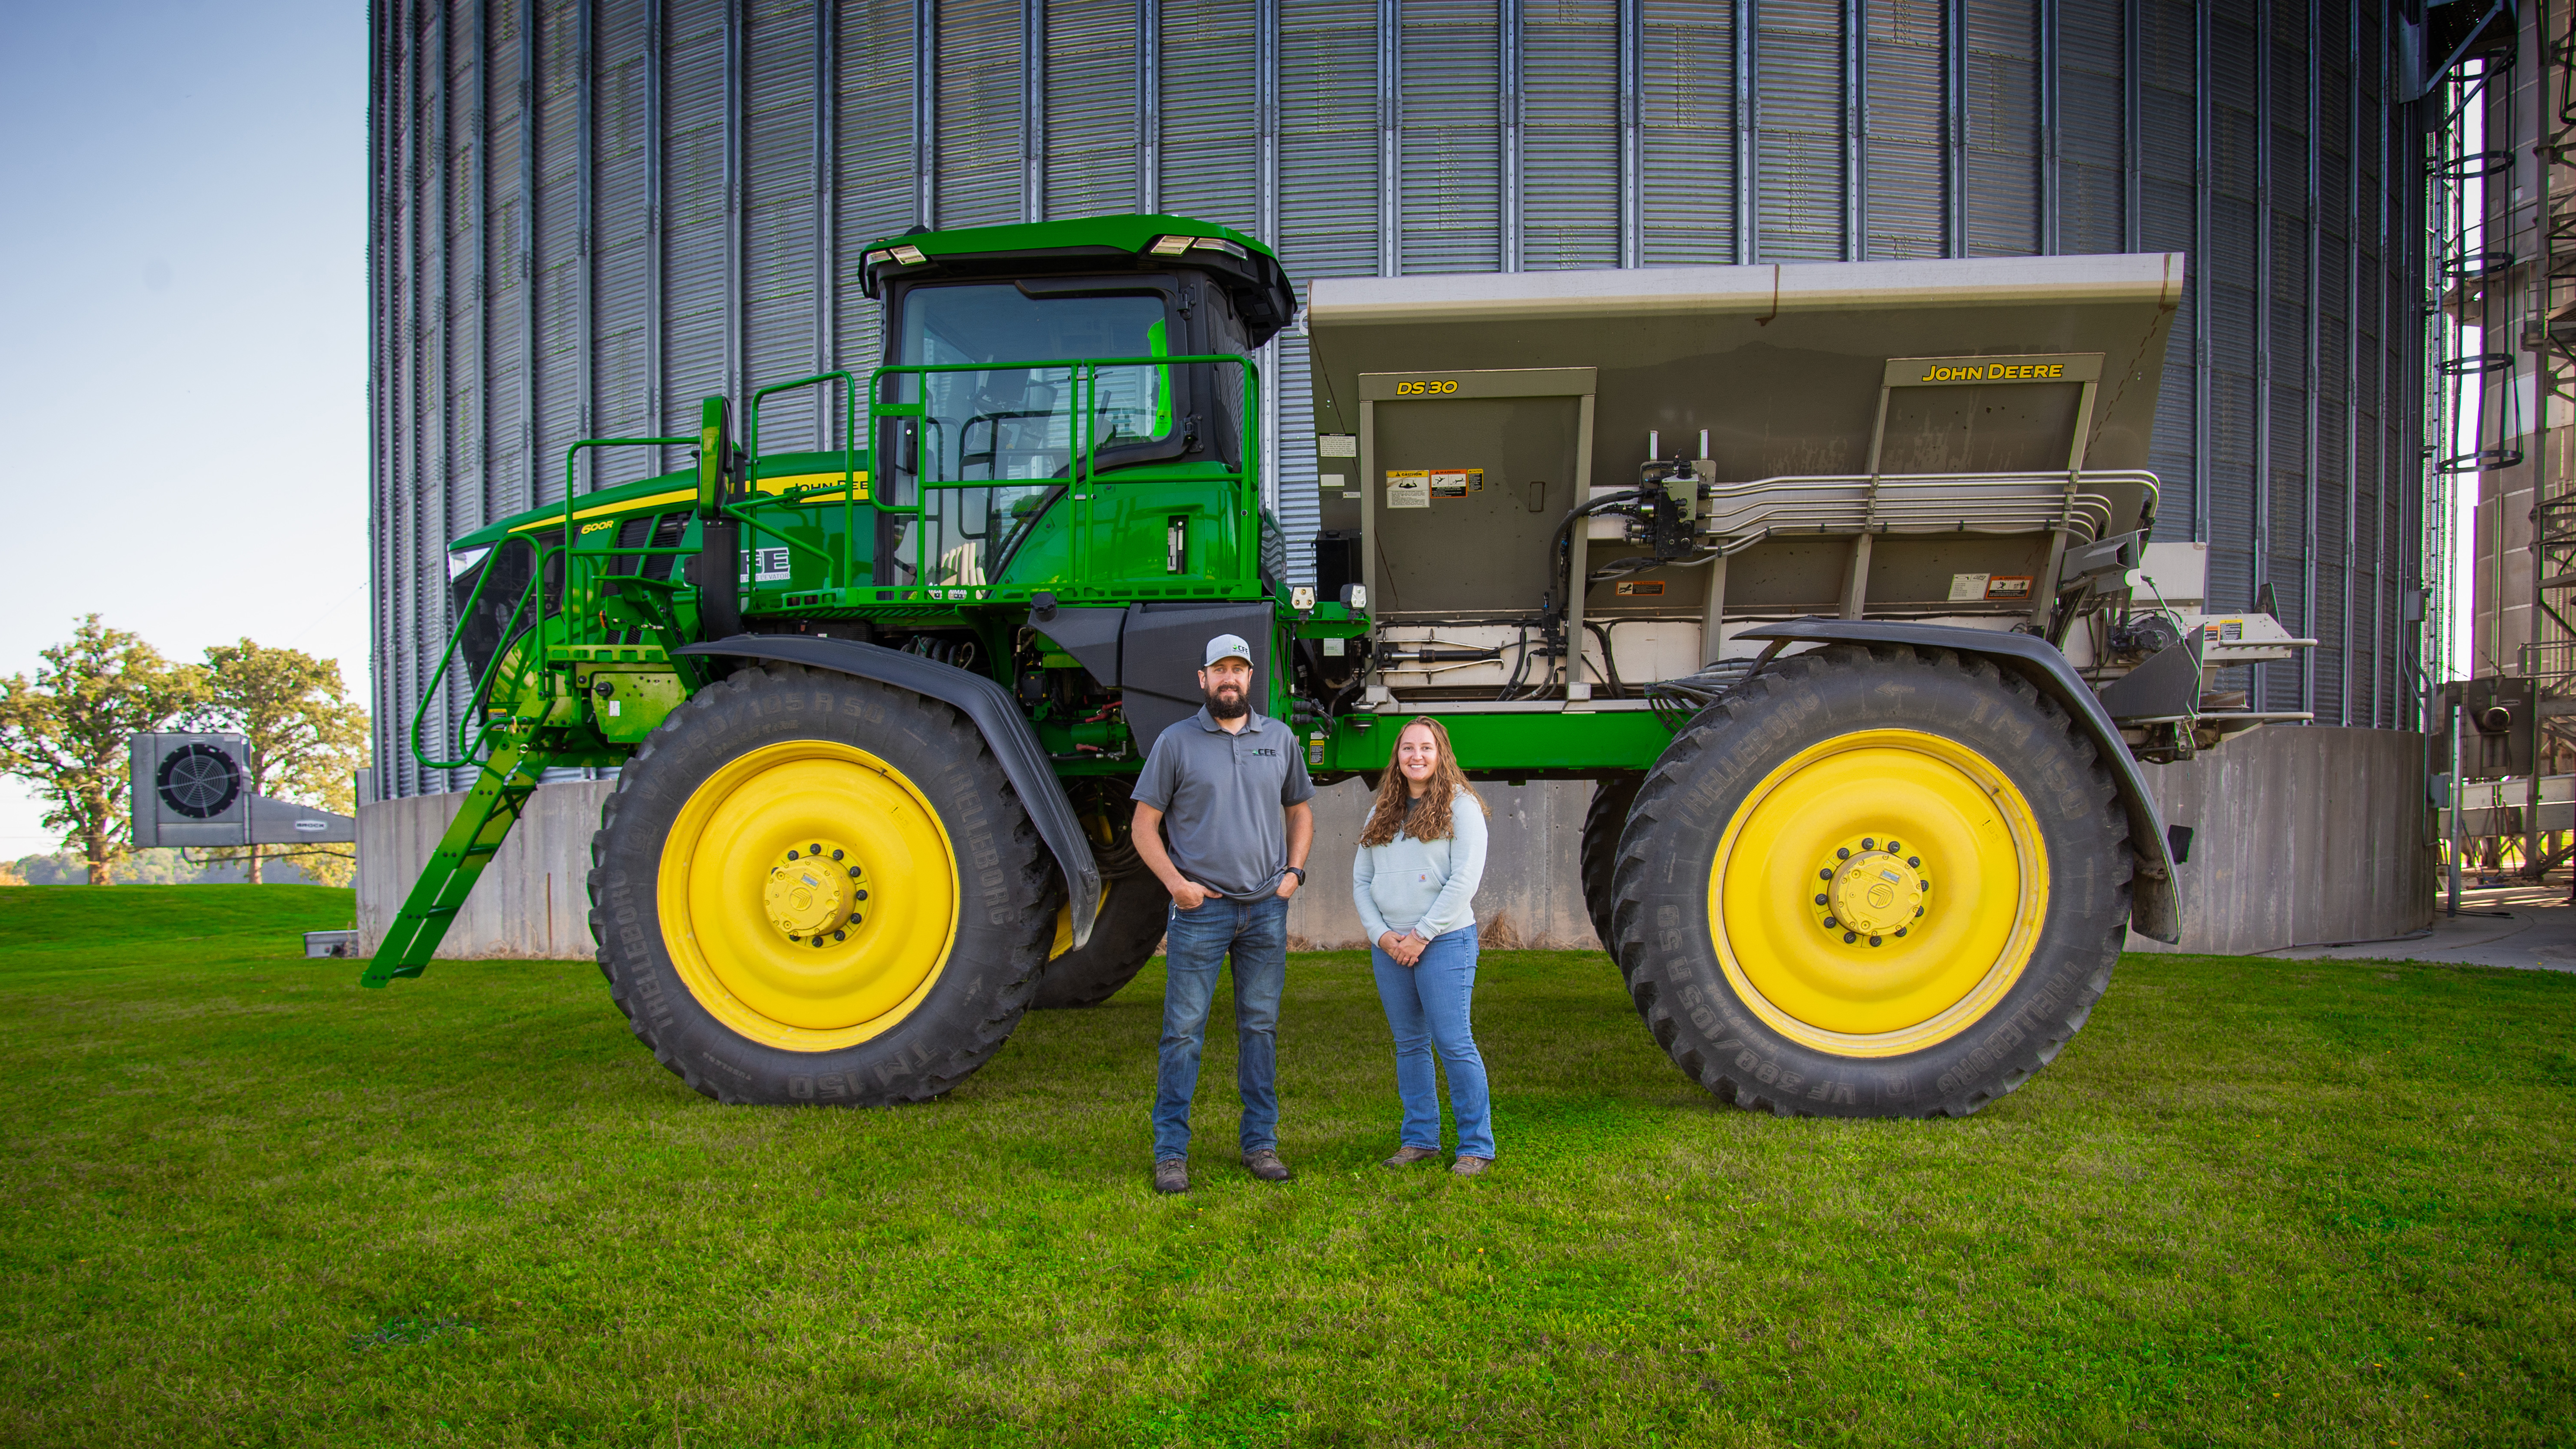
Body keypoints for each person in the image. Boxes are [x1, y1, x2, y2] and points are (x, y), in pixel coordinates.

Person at [1131, 633, 1317, 1195]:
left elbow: (1301, 812)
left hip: (1265, 911)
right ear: (1203, 679)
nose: (1230, 678)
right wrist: (1176, 886)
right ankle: (1170, 1154)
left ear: (1250, 677)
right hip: (1201, 911)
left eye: (1239, 668)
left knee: (1259, 1028)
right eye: (1220, 669)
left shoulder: (1279, 738)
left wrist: (1294, 874)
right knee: (1183, 1033)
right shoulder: (1176, 743)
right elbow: (1144, 826)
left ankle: (1260, 1144)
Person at [1352, 716, 1494, 1176]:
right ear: (1397, 756)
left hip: (1445, 942)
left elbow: (1463, 881)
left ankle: (1475, 1146)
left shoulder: (1461, 806)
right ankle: (1419, 1140)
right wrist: (1383, 936)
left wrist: (1420, 935)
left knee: (1453, 1042)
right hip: (1390, 947)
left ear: (1440, 755)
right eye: (1407, 748)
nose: (1416, 756)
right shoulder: (1381, 812)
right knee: (1409, 1045)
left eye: (1426, 748)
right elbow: (1361, 881)